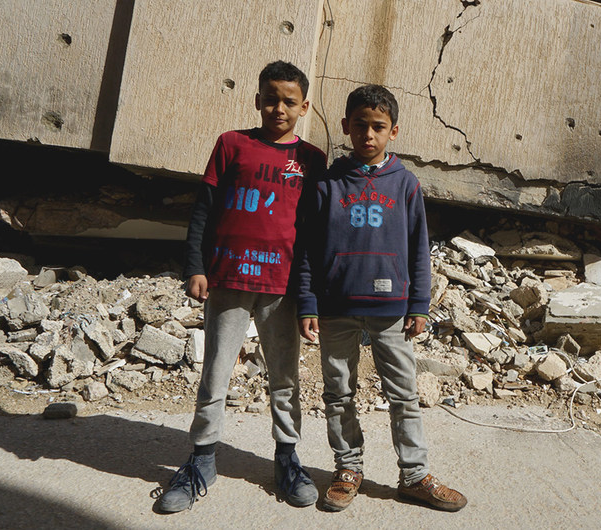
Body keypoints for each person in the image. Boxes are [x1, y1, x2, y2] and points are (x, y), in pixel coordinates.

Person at [156, 60, 327, 513]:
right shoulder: (232, 144)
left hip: (282, 288)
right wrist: (195, 265)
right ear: (257, 100)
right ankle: (201, 460)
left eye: (289, 101)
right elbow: (203, 212)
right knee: (215, 372)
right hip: (228, 280)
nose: (279, 107)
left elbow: (310, 233)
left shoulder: (311, 160)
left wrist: (309, 296)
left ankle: (287, 459)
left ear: (304, 106)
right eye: (270, 98)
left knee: (284, 379)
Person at [293, 84, 467, 513]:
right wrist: (308, 301)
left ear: (393, 132)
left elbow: (417, 248)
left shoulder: (405, 184)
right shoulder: (327, 184)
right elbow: (308, 250)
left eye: (378, 127)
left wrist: (419, 304)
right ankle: (348, 468)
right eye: (359, 126)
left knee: (404, 395)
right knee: (338, 392)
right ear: (345, 127)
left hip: (392, 312)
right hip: (336, 309)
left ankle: (414, 475)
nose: (367, 135)